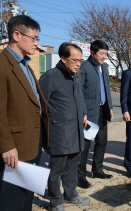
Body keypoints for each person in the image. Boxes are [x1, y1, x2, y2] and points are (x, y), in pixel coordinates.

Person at [0, 15, 49, 211]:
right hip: (13, 147)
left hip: (30, 142)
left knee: (25, 196)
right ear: (16, 35)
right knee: (11, 199)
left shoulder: (25, 65)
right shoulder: (3, 65)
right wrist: (6, 145)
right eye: (34, 38)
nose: (37, 44)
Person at [39, 43, 90, 211]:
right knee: (57, 169)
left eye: (80, 60)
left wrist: (83, 113)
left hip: (76, 130)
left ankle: (71, 194)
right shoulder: (51, 77)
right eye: (74, 60)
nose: (78, 64)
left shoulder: (76, 75)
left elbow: (79, 97)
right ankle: (55, 201)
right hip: (59, 132)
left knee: (72, 166)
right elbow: (40, 105)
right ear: (63, 59)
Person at [77, 40, 114, 189]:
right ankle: (80, 176)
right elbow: (79, 91)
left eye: (106, 53)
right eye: (102, 53)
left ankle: (97, 170)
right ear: (92, 53)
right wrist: (83, 112)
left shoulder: (104, 67)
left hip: (102, 111)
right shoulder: (84, 68)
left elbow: (107, 89)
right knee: (85, 145)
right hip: (89, 113)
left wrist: (110, 107)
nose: (104, 56)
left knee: (102, 141)